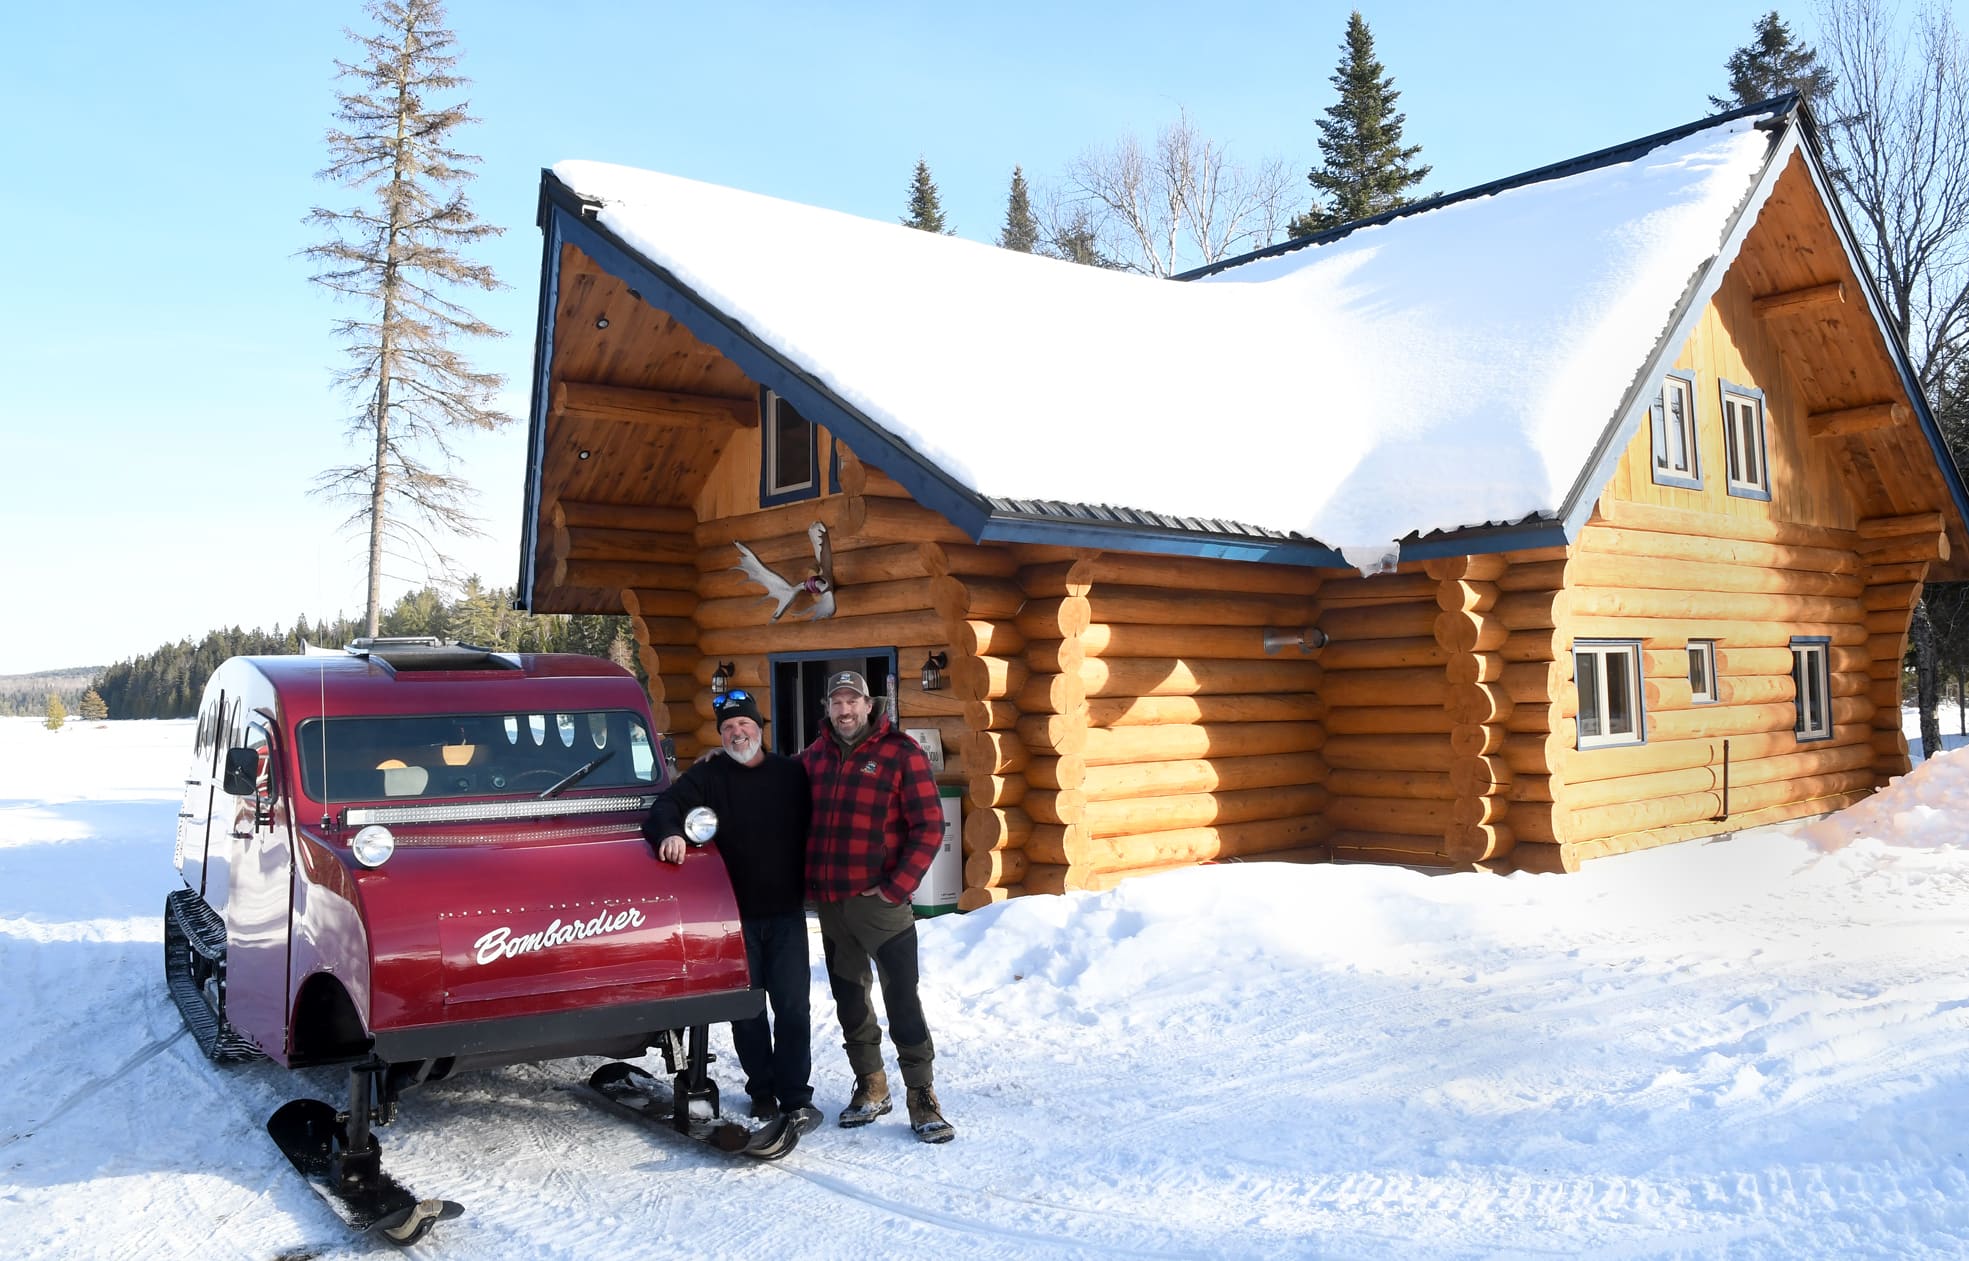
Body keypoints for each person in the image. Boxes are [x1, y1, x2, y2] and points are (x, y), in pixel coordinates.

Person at [644, 690, 820, 1135]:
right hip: (735, 919)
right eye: (727, 727)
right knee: (747, 1010)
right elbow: (664, 807)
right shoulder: (708, 776)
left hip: (786, 914)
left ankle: (796, 1096)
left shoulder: (790, 774)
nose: (737, 733)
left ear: (759, 728)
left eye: (744, 724)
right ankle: (762, 1090)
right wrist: (671, 833)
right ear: (720, 735)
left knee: (793, 1008)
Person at [799, 669, 955, 1143]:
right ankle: (871, 1084)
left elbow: (930, 826)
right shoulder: (813, 758)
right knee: (850, 998)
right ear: (828, 708)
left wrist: (896, 887)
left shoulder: (900, 753)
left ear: (870, 705)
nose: (845, 710)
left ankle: (921, 1095)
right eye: (837, 702)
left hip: (882, 906)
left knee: (901, 998)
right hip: (832, 904)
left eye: (853, 701)